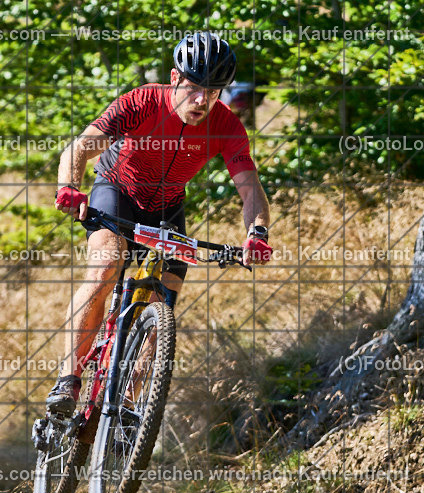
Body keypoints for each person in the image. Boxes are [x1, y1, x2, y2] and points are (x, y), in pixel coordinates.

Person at [48, 31, 273, 415]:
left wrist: (258, 233)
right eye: (194, 88)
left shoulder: (227, 126)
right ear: (174, 78)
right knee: (106, 264)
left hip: (167, 208)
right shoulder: (142, 101)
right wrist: (69, 187)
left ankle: (127, 413)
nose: (201, 100)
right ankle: (68, 381)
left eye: (213, 92)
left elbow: (250, 189)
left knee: (164, 299)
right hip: (116, 191)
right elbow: (81, 147)